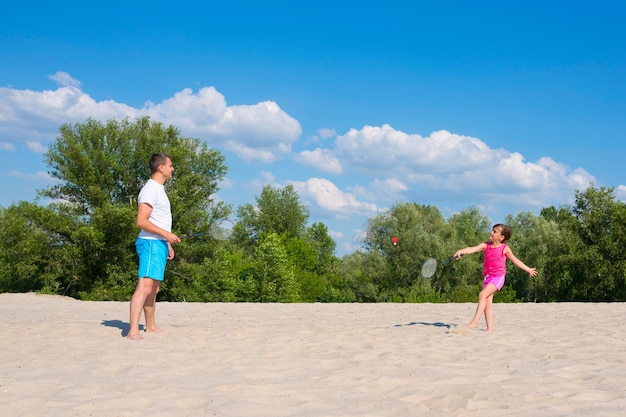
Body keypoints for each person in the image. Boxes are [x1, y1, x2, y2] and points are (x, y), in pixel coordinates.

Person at [127, 153, 180, 340]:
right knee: (144, 287)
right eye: (170, 165)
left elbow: (159, 220)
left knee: (154, 288)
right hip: (150, 243)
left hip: (158, 243)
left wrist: (166, 243)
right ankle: (133, 331)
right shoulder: (150, 189)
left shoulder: (159, 189)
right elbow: (141, 221)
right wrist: (166, 235)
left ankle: (150, 326)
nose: (172, 168)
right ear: (161, 167)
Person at [453, 223, 537, 332]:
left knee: (482, 295)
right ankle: (489, 329)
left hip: (498, 278)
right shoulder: (485, 245)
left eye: (495, 231)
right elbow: (473, 249)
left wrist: (528, 269)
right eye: (492, 230)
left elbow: (516, 260)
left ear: (502, 237)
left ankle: (475, 322)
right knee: (487, 304)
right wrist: (461, 251)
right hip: (487, 278)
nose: (491, 232)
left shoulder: (504, 248)